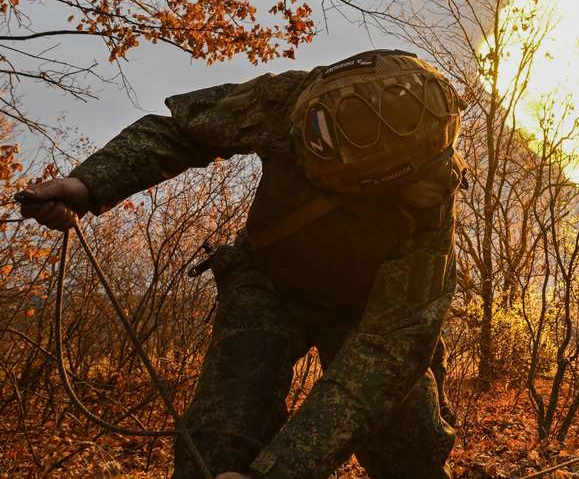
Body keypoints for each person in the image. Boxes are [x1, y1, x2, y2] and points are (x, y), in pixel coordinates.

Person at [19, 49, 465, 479]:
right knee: (218, 440)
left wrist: (283, 470)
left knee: (409, 450)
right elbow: (184, 132)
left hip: (366, 314)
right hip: (268, 283)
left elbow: (385, 355)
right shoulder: (292, 99)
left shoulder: (429, 218)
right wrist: (88, 182)